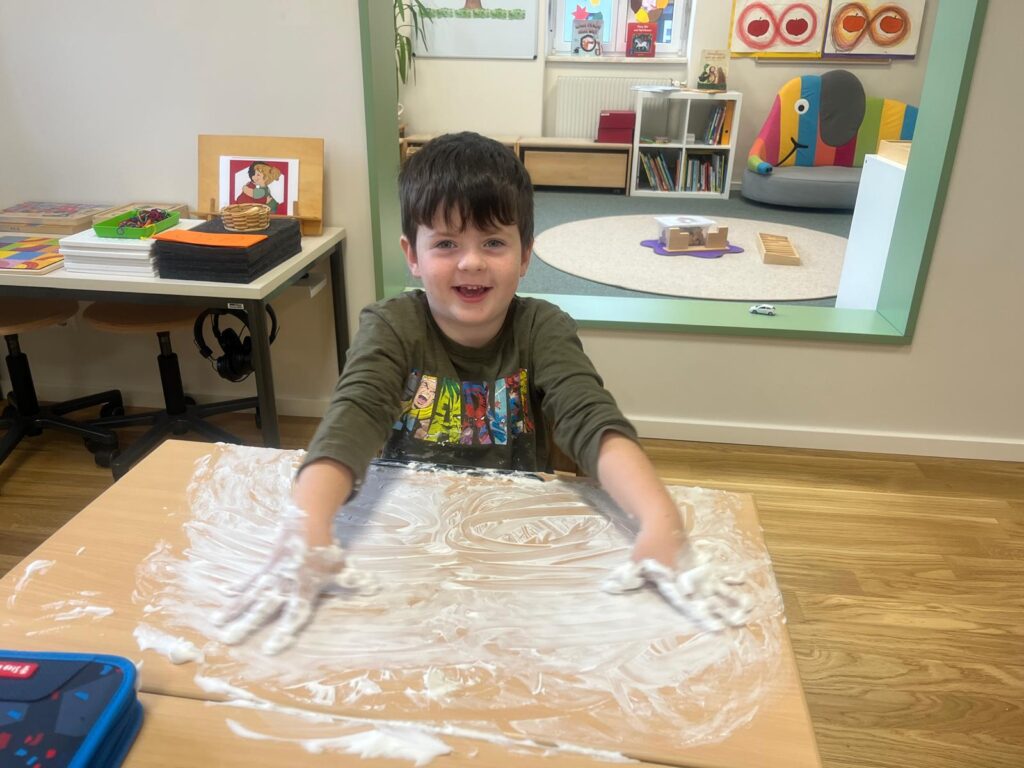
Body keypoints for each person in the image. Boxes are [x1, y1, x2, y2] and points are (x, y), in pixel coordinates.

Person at [215, 132, 694, 654]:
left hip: (513, 544)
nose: (471, 263)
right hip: (406, 540)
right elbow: (354, 414)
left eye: (493, 242)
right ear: (413, 255)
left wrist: (658, 516)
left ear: (525, 254)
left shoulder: (542, 329)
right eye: (446, 243)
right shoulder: (393, 327)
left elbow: (589, 416)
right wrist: (307, 523)